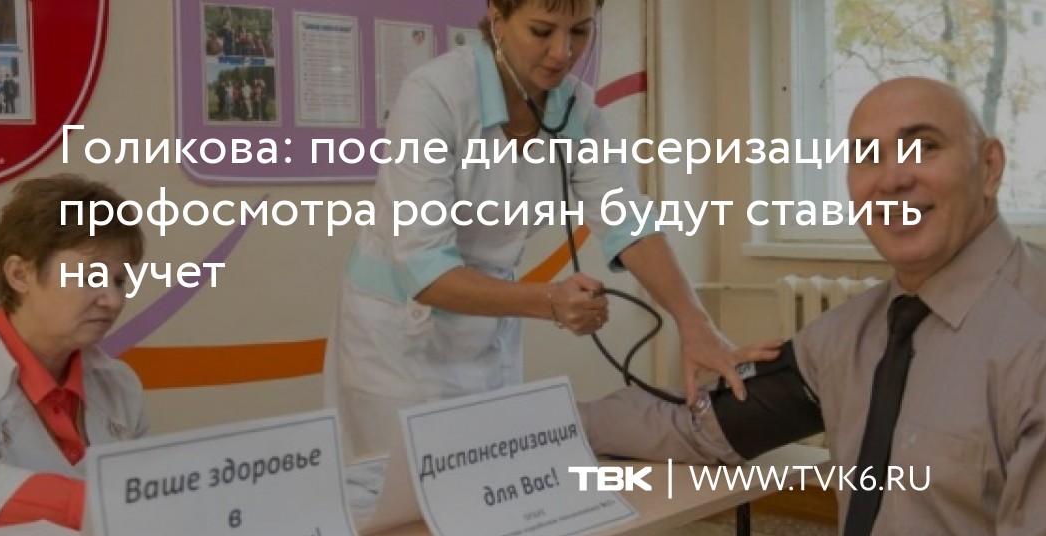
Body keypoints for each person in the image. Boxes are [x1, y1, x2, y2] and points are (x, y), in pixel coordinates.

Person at [579, 77, 1046, 534]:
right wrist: (553, 426)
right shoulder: (845, 336)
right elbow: (700, 427)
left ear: (989, 167)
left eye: (924, 146)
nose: (893, 178)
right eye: (867, 156)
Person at [323, 0, 774, 459]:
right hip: (398, 337)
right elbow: (425, 268)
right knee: (396, 490)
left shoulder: (576, 108)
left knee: (488, 474)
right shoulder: (434, 95)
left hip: (489, 327)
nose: (562, 52)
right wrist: (550, 301)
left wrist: (696, 324)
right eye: (542, 31)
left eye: (579, 31)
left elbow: (629, 222)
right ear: (497, 18)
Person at [0, 175, 149, 534]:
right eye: (92, 277)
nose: (113, 300)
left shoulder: (120, 384)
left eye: (119, 281)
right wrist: (126, 504)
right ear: (19, 275)